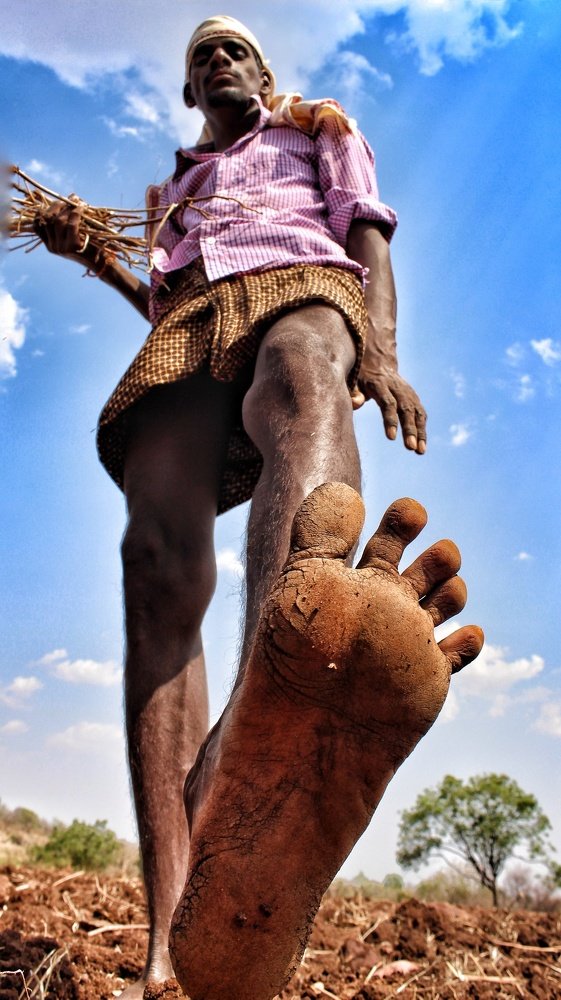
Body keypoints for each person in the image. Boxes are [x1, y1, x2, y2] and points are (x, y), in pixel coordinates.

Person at [33, 16, 483, 1000]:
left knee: (301, 372)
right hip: (189, 323)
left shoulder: (317, 125)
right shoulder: (175, 192)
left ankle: (267, 704)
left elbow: (365, 227)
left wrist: (384, 349)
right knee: (155, 558)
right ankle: (174, 934)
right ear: (190, 96)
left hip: (304, 280)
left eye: (233, 50)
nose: (219, 62)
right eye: (201, 60)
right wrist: (95, 256)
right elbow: (160, 308)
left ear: (263, 73)